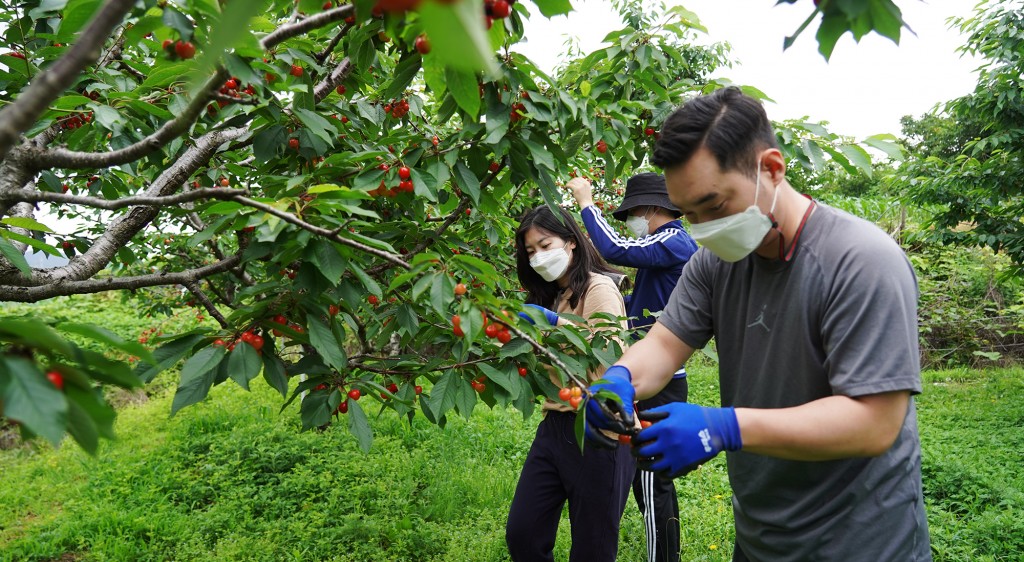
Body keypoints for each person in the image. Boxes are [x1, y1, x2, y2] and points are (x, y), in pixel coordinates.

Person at [585, 87, 932, 561]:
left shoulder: (861, 262)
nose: (704, 227)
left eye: (715, 205)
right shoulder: (715, 263)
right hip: (760, 539)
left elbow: (874, 422)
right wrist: (620, 377)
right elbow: (664, 346)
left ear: (771, 168)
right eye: (691, 215)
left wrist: (724, 427)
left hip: (862, 543)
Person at [568, 173, 697, 562]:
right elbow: (637, 301)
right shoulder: (663, 253)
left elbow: (615, 247)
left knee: (651, 479)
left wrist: (586, 202)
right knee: (651, 482)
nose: (632, 222)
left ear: (653, 209)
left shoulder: (672, 239)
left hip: (659, 379)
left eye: (634, 213)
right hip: (649, 375)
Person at [505, 204, 635, 562]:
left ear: (571, 242)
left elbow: (611, 352)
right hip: (554, 427)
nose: (538, 257)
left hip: (599, 431)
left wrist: (553, 324)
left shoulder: (599, 288)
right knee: (523, 533)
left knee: (592, 548)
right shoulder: (553, 295)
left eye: (545, 245)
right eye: (530, 251)